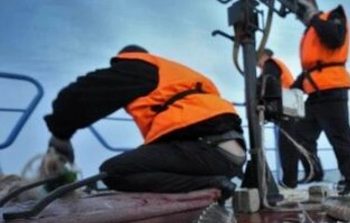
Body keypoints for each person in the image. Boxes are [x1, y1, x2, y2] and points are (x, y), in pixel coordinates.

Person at [44, 45, 245, 201]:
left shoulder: (139, 67)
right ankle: (215, 180)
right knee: (140, 160)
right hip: (231, 155)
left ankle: (211, 184)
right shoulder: (177, 77)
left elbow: (78, 96)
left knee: (114, 172)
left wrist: (60, 133)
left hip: (207, 151)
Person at [291, 0, 350, 195]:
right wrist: (289, 89)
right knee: (301, 136)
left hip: (332, 89)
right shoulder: (309, 31)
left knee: (339, 136)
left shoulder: (333, 15)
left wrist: (313, 17)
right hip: (313, 94)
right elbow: (308, 70)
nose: (299, 17)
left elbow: (335, 39)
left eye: (300, 10)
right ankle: (315, 173)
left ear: (309, 1)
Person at [256, 48, 302, 189]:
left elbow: (266, 82)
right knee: (288, 145)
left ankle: (289, 182)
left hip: (287, 108)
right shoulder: (275, 65)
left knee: (287, 147)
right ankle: (290, 180)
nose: (257, 65)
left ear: (264, 56)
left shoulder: (270, 64)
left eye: (258, 60)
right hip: (290, 108)